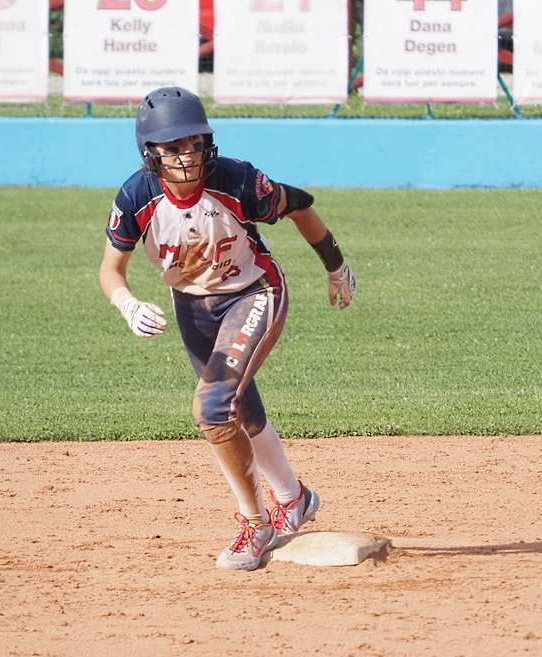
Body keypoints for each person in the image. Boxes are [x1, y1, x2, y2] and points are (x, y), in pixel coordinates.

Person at [98, 86, 357, 571]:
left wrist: (334, 264)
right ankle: (293, 498)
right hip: (191, 307)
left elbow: (299, 203)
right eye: (173, 146)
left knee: (213, 406)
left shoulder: (236, 180)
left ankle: (255, 525)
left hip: (254, 292)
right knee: (239, 406)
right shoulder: (137, 195)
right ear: (150, 153)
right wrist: (126, 303)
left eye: (194, 142)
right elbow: (110, 269)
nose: (187, 155)